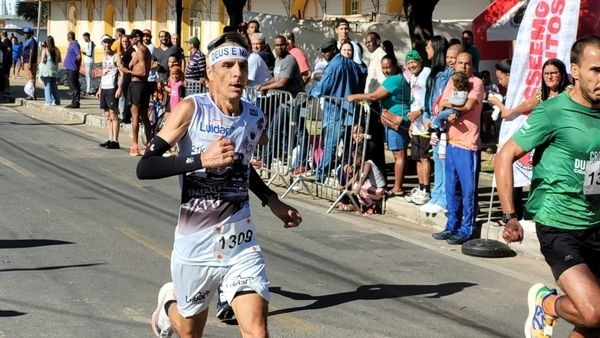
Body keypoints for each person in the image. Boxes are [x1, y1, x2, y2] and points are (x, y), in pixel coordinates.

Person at [136, 31, 302, 338]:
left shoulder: (254, 117)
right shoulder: (191, 109)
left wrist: (272, 200)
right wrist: (200, 160)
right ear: (210, 74)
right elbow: (145, 166)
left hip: (241, 242)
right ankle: (167, 305)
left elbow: (241, 167)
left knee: (257, 332)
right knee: (188, 332)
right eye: (227, 65)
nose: (237, 72)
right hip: (195, 246)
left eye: (241, 64)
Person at [494, 35, 600, 338]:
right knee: (593, 311)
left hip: (596, 221)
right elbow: (505, 157)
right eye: (596, 70)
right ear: (576, 71)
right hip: (559, 225)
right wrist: (509, 215)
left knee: (592, 324)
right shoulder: (553, 111)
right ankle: (547, 303)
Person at [431, 52, 484, 245]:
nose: (463, 66)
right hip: (452, 141)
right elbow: (438, 105)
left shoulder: (476, 83)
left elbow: (468, 106)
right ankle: (451, 225)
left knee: (468, 190)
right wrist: (444, 108)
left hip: (468, 144)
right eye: (460, 63)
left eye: (467, 63)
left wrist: (446, 104)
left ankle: (466, 228)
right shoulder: (452, 81)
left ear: (472, 65)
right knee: (451, 188)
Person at [348, 54, 412, 197]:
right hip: (396, 119)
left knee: (399, 154)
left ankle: (397, 187)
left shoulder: (394, 80)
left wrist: (354, 97)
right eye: (383, 68)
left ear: (395, 66)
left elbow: (373, 96)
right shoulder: (398, 78)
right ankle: (397, 185)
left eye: (388, 67)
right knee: (400, 154)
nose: (386, 70)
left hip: (396, 120)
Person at [309, 39, 364, 183]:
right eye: (323, 51)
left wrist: (310, 92)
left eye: (327, 50)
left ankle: (320, 178)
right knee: (346, 150)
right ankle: (343, 180)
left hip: (336, 112)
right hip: (351, 114)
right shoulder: (354, 65)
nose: (324, 53)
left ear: (334, 49)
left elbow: (322, 88)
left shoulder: (333, 66)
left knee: (330, 148)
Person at [418, 38, 456, 214]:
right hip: (433, 123)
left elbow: (447, 101)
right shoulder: (433, 74)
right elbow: (429, 98)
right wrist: (426, 116)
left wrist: (438, 118)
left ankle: (445, 199)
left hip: (444, 124)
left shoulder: (449, 74)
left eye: (429, 46)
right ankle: (437, 196)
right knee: (437, 161)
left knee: (443, 161)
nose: (426, 49)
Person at [336, 124, 386, 215]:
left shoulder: (367, 162)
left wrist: (358, 187)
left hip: (377, 188)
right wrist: (345, 186)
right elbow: (356, 176)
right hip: (365, 179)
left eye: (361, 133)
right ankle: (348, 200)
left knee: (358, 187)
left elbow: (362, 177)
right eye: (355, 133)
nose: (358, 135)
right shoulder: (351, 145)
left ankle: (371, 205)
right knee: (346, 176)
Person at [403, 49, 432, 206]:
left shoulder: (427, 73)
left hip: (425, 120)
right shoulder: (412, 77)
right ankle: (421, 187)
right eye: (408, 63)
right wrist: (412, 123)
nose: (411, 65)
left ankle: (427, 189)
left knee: (424, 156)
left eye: (413, 62)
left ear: (420, 61)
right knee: (416, 157)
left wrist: (420, 112)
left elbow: (431, 97)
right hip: (416, 124)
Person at [120, 29, 152, 156]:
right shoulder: (139, 52)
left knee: (136, 116)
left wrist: (128, 72)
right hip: (137, 85)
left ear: (137, 37)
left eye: (132, 37)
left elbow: (143, 72)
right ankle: (148, 144)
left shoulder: (142, 51)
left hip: (138, 84)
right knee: (143, 115)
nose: (130, 40)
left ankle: (135, 145)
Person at [97, 35, 122, 150]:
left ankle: (115, 140)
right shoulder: (104, 58)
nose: (106, 45)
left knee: (113, 114)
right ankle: (110, 138)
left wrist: (119, 88)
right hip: (105, 87)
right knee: (107, 115)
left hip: (112, 87)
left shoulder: (116, 56)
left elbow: (122, 73)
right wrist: (99, 89)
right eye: (104, 43)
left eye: (108, 42)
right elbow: (103, 73)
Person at [38, 36, 61, 106]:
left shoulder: (45, 50)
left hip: (46, 71)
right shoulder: (57, 50)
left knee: (47, 86)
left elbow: (42, 61)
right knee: (54, 86)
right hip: (54, 70)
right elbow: (59, 60)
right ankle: (56, 100)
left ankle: (48, 101)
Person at [64, 31, 82, 108]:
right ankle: (73, 101)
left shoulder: (75, 44)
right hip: (69, 68)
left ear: (69, 37)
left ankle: (76, 102)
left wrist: (77, 65)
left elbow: (79, 56)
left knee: (74, 86)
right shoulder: (72, 44)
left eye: (67, 37)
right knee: (72, 86)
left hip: (72, 68)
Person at [21, 27, 38, 100]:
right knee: (28, 77)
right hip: (25, 61)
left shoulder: (32, 41)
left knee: (31, 78)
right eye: (24, 33)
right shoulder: (26, 40)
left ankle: (31, 94)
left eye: (27, 33)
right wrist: (22, 62)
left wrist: (30, 62)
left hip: (29, 61)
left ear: (30, 33)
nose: (25, 34)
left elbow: (31, 51)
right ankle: (31, 93)